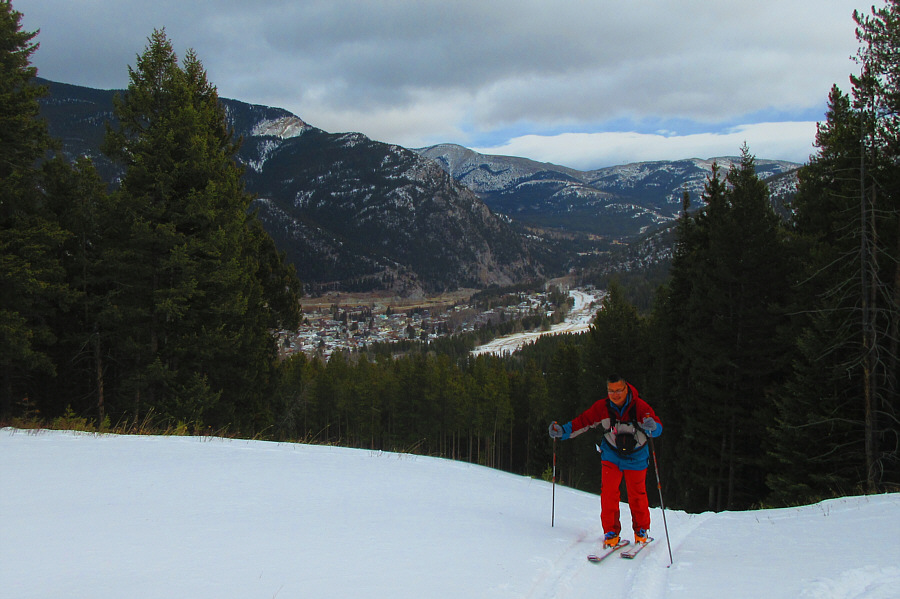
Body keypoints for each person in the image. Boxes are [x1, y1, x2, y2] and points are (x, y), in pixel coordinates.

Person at [549, 374, 662, 548]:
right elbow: (583, 422)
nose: (615, 394)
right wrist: (561, 431)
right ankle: (611, 532)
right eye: (611, 391)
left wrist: (653, 427)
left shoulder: (640, 407)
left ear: (626, 388)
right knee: (609, 494)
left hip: (637, 455)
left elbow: (656, 426)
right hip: (611, 454)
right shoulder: (602, 407)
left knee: (637, 495)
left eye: (618, 390)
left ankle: (641, 531)